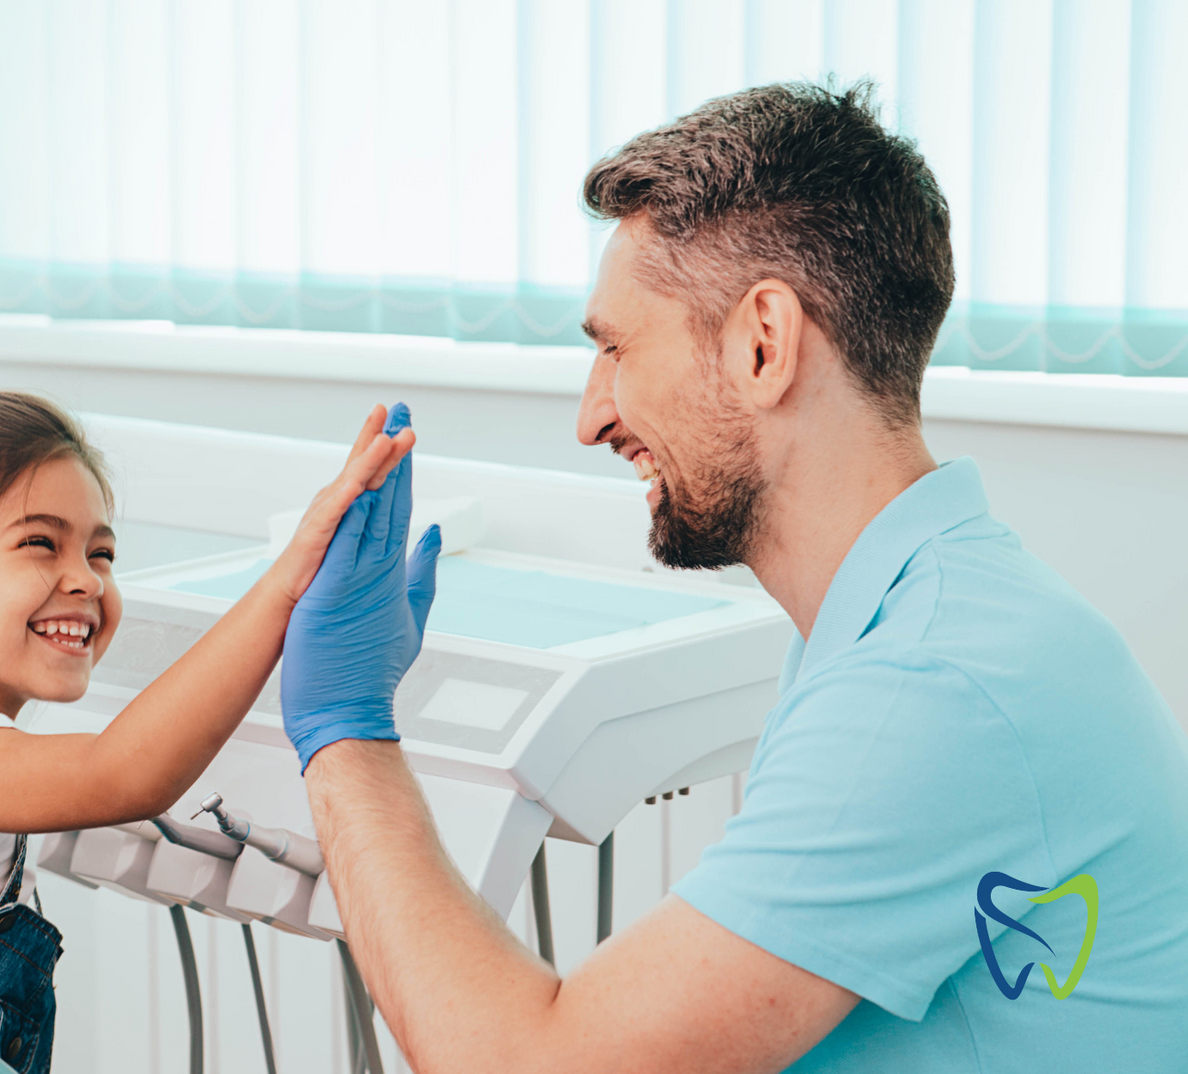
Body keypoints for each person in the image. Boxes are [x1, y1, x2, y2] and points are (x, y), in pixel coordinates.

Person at [280, 83, 1188, 1072]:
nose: (591, 417)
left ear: (765, 343)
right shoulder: (906, 620)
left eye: (618, 348)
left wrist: (346, 733)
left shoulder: (933, 689)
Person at [0, 391, 431, 1073]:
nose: (87, 580)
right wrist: (291, 578)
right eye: (40, 544)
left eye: (102, 554)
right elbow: (119, 774)